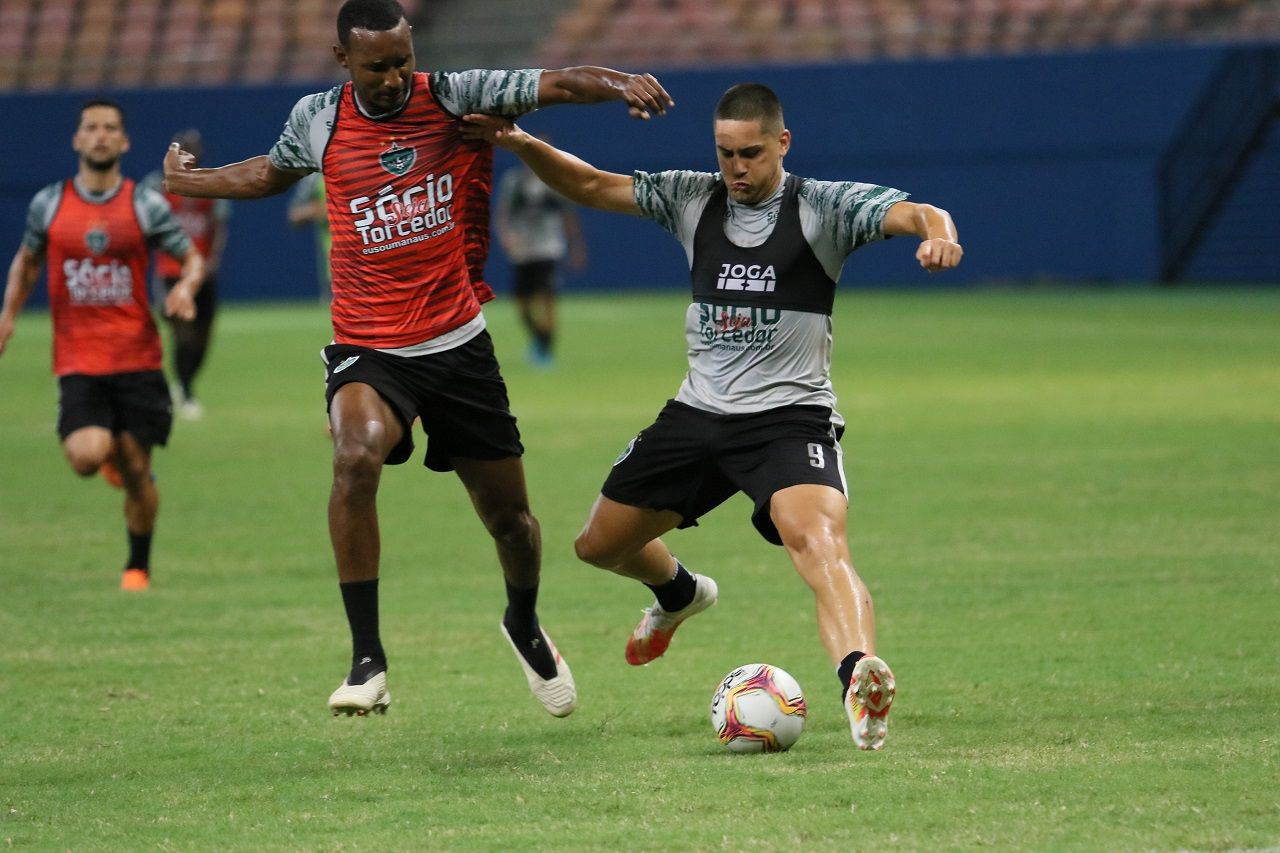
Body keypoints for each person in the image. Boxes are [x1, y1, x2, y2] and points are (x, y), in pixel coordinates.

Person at [161, 0, 674, 718]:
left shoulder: (454, 95)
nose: (395, 76)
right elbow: (268, 175)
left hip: (457, 344)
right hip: (368, 347)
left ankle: (523, 621)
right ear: (344, 59)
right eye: (378, 66)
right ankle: (367, 660)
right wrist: (190, 181)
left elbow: (557, 82)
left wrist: (620, 82)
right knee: (354, 457)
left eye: (403, 60)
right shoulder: (319, 118)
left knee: (512, 523)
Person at [463, 82, 963, 750]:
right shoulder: (692, 198)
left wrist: (939, 237)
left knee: (817, 540)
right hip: (697, 415)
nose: (736, 168)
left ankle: (858, 679)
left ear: (782, 143)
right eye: (725, 153)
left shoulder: (825, 206)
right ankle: (677, 592)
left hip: (789, 420)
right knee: (598, 546)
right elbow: (591, 185)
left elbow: (920, 212)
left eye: (750, 153)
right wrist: (519, 141)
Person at [0, 98, 205, 592]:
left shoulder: (143, 204)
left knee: (137, 472)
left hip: (137, 358)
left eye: (110, 128)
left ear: (124, 141)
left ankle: (138, 568)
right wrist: (8, 316)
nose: (100, 135)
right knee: (86, 458)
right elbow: (27, 262)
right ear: (77, 139)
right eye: (91, 127)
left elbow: (191, 258)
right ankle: (108, 447)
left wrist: (185, 287)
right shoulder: (49, 203)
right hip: (78, 359)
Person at [143, 129, 230, 420]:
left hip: (203, 272)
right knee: (183, 334)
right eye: (186, 150)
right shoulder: (156, 185)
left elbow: (219, 225)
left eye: (196, 151)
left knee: (203, 337)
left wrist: (213, 259)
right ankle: (185, 390)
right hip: (171, 272)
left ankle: (184, 383)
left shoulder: (210, 183)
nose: (191, 156)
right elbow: (142, 220)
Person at [493, 148, 587, 367]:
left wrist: (576, 248)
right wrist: (506, 237)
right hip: (522, 252)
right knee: (523, 305)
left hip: (548, 250)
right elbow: (503, 214)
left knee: (547, 300)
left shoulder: (555, 181)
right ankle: (538, 338)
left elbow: (569, 216)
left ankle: (546, 350)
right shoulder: (514, 182)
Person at [286, 172, 331, 301]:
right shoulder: (314, 176)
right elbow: (295, 215)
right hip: (337, 267)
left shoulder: (372, 167)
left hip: (374, 258)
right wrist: (319, 210)